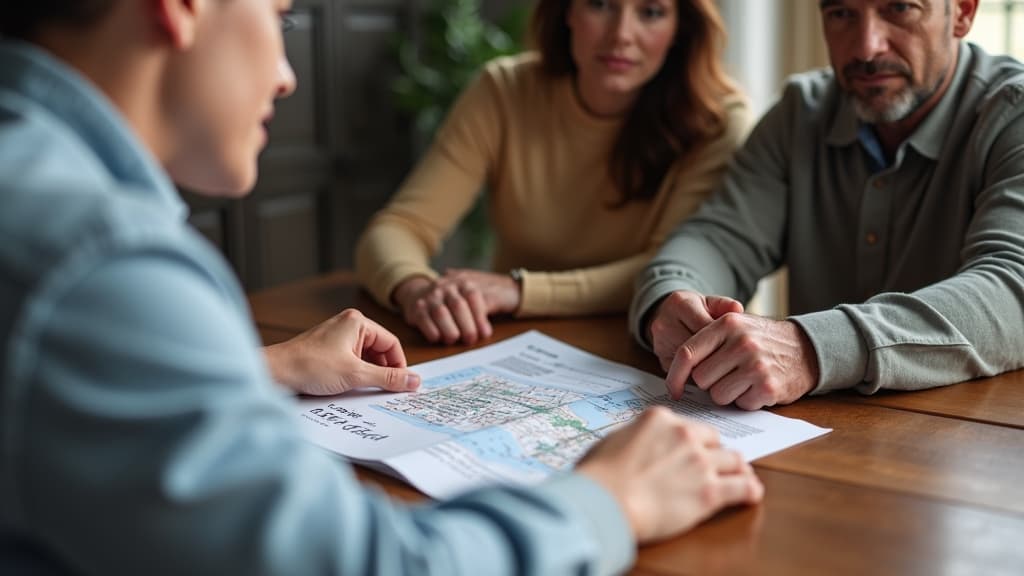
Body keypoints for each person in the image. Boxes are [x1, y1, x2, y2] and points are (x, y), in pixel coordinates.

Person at [0, 1, 763, 574]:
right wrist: (609, 499)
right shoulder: (103, 266)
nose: (287, 73)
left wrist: (265, 365)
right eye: (280, 15)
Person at [630, 0, 1024, 411]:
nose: (867, 48)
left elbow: (1015, 292)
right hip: (814, 445)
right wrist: (672, 299)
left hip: (968, 446)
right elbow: (717, 239)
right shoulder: (801, 112)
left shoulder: (1013, 114)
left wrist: (810, 348)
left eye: (900, 8)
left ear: (962, 13)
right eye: (841, 14)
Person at [356, 0, 748, 345]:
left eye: (651, 11)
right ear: (566, 12)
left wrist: (520, 291)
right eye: (599, 4)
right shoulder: (504, 92)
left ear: (680, 27)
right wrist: (417, 289)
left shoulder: (717, 121)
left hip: (651, 347)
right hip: (511, 343)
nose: (621, 35)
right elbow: (400, 226)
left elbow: (670, 270)